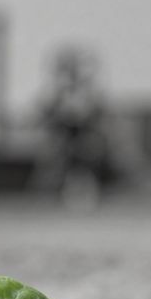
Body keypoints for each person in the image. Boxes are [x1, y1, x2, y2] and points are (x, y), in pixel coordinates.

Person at [39, 47, 111, 210]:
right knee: (55, 159)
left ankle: (87, 195)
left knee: (89, 151)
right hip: (65, 143)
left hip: (85, 143)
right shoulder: (59, 95)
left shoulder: (91, 96)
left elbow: (93, 115)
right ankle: (54, 195)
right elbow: (46, 113)